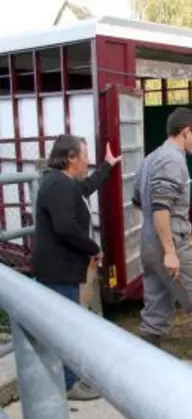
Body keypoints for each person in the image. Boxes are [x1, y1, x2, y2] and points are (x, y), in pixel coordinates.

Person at [131, 107, 192, 383]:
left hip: (149, 245)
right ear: (185, 131)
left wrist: (156, 237)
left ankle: (145, 378)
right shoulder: (172, 160)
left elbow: (138, 200)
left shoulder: (151, 158)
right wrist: (171, 251)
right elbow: (161, 207)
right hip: (170, 246)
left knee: (155, 313)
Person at [31, 134, 121, 401]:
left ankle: (65, 377)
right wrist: (93, 249)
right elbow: (66, 227)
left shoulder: (63, 182)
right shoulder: (59, 185)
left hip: (58, 268)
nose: (87, 161)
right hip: (58, 270)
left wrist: (107, 166)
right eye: (85, 156)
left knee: (62, 324)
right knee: (65, 327)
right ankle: (69, 384)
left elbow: (87, 187)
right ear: (71, 158)